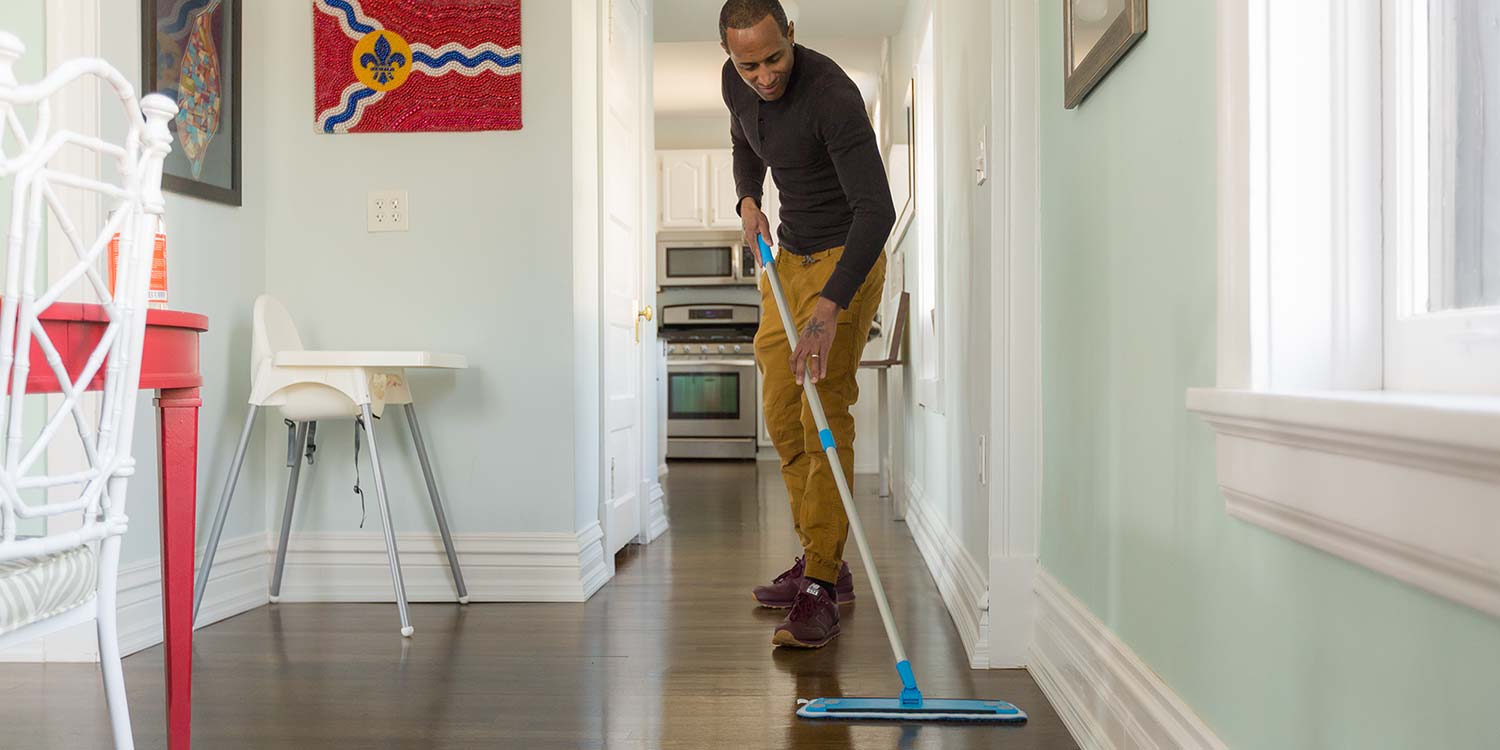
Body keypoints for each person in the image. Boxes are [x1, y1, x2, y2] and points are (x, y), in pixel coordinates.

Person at [719, 0, 896, 648]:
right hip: (787, 258)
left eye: (774, 58)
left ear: (791, 35)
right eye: (748, 65)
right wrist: (747, 199)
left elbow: (878, 212)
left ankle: (820, 581)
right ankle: (824, 561)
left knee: (823, 410)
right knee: (781, 413)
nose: (763, 76)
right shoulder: (734, 81)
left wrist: (829, 309)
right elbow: (744, 139)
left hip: (845, 260)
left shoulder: (832, 96)